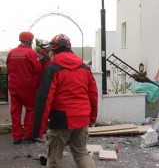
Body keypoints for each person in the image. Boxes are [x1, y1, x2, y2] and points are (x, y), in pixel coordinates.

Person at [33, 33, 98, 168]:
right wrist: (92, 116)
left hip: (61, 119)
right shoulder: (84, 67)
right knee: (81, 153)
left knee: (54, 159)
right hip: (82, 117)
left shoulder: (53, 67)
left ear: (54, 50)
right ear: (69, 48)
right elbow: (93, 94)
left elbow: (45, 98)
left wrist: (39, 129)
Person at [6, 31, 43, 144]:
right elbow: (38, 69)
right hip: (27, 87)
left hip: (14, 86)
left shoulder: (11, 53)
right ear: (30, 41)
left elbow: (8, 68)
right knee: (31, 110)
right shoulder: (31, 53)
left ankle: (16, 137)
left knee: (15, 111)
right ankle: (28, 135)